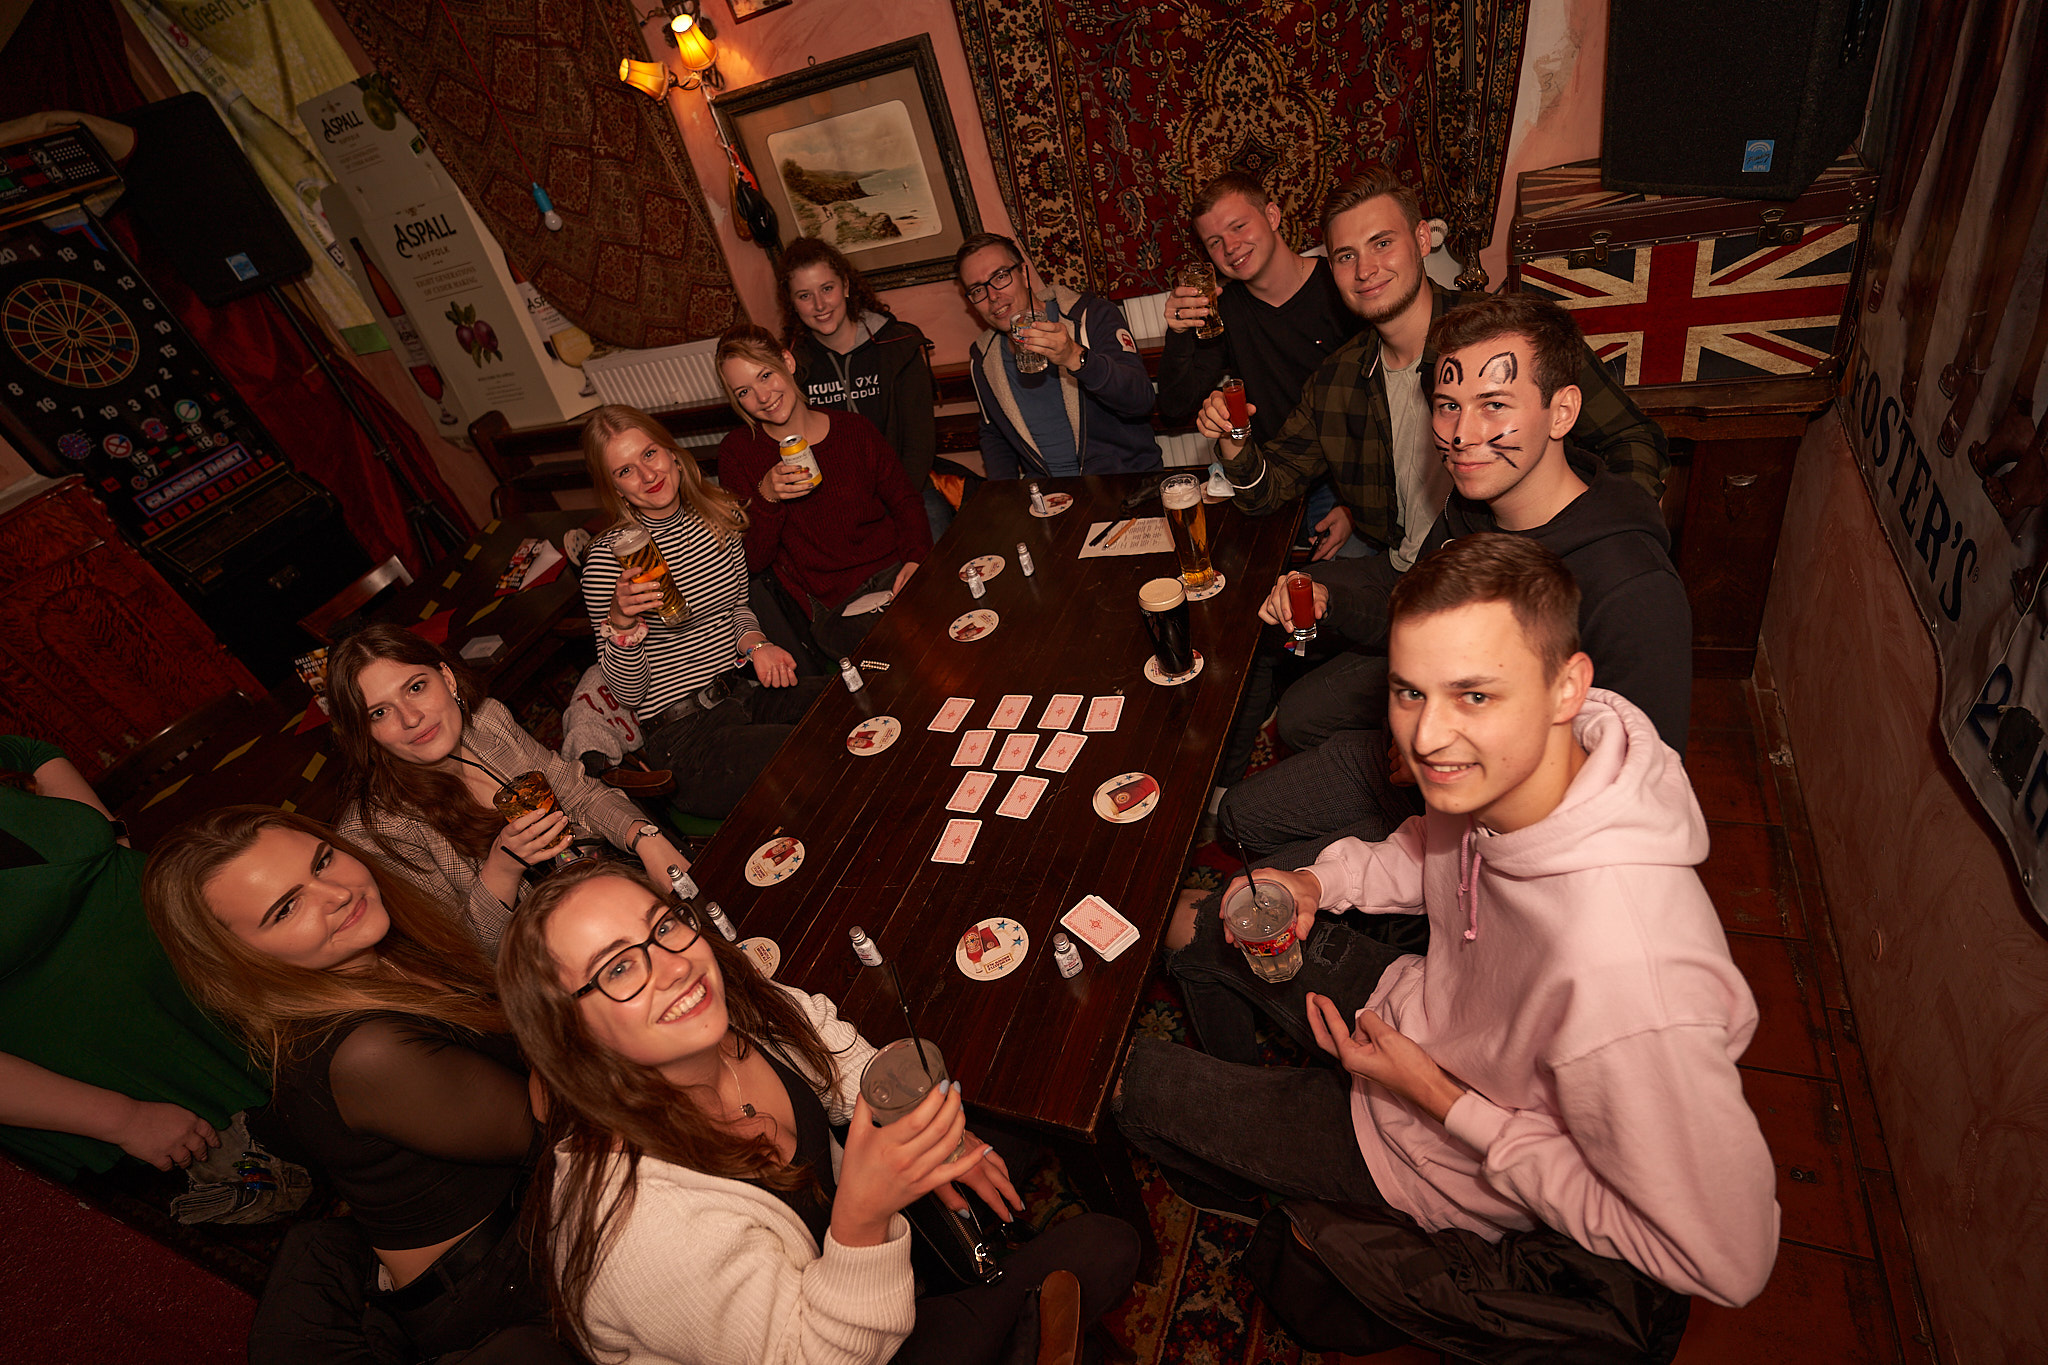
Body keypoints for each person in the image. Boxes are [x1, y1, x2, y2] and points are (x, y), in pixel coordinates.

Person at [1117, 534, 1780, 1315]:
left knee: (1129, 1083)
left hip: (1436, 1156)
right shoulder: (1514, 770)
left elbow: (1729, 1259)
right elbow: (1431, 853)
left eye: (1474, 695)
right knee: (1194, 921)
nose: (1426, 738)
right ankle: (1250, 1134)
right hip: (1413, 1009)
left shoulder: (1626, 972)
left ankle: (1249, 1176)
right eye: (1410, 691)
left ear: (1567, 687)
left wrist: (1438, 1096)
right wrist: (1320, 880)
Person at [497, 860, 1141, 1365]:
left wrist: (928, 1133)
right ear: (570, 1035)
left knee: (999, 1124)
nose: (673, 967)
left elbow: (826, 1044)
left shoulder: (725, 1003)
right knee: (1108, 1247)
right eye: (618, 969)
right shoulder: (635, 1233)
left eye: (663, 927)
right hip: (841, 1341)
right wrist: (863, 1215)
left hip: (858, 1252)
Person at [1207, 294, 1696, 904]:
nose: (1462, 435)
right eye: (1447, 406)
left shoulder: (1629, 586)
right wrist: (1333, 602)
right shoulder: (1472, 508)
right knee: (1240, 819)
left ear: (1563, 411)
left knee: (1250, 903)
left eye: (1495, 405)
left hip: (1503, 843)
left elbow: (1638, 800)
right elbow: (1416, 615)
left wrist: (1446, 763)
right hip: (1418, 769)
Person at [1197, 168, 1670, 755]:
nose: (1365, 269)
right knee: (1276, 646)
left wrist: (1590, 548)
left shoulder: (1505, 336)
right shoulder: (1339, 378)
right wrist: (1234, 442)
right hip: (1406, 572)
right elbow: (1267, 490)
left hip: (1502, 582)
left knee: (1311, 717)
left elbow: (1632, 438)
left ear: (1422, 240)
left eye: (1382, 242)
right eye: (1345, 256)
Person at [144, 807, 575, 1364]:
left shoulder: (380, 953)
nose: (337, 894)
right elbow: (560, 1127)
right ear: (241, 958)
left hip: (535, 1202)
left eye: (323, 861)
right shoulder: (364, 1054)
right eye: (286, 908)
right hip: (503, 1284)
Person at [328, 623, 687, 956]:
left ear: (447, 678)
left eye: (416, 688)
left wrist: (646, 838)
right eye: (379, 713)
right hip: (549, 954)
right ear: (364, 732)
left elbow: (579, 793)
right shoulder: (378, 830)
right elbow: (462, 952)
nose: (410, 718)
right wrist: (501, 869)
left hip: (608, 882)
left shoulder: (489, 722)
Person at [0, 736, 266, 1180]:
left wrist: (107, 836)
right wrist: (122, 1118)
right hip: (148, 1075)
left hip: (217, 968)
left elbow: (30, 752)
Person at [581, 404, 829, 821]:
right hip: (686, 737)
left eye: (649, 454)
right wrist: (621, 623)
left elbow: (736, 609)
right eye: (625, 471)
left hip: (744, 694)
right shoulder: (608, 561)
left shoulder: (718, 517)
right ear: (616, 489)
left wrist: (757, 646)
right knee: (810, 759)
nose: (647, 475)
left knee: (845, 706)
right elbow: (628, 695)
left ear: (672, 453)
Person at [1155, 171, 1368, 558]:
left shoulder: (1339, 284)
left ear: (1272, 216)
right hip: (1270, 479)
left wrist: (1355, 507)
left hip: (1346, 479)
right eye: (1214, 242)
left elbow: (1382, 409)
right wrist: (1178, 332)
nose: (1230, 247)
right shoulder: (1225, 308)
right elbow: (1175, 405)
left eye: (1238, 226)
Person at [713, 325, 931, 662]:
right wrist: (767, 496)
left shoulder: (853, 429)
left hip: (893, 569)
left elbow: (905, 501)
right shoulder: (738, 453)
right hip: (833, 604)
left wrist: (916, 559)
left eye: (766, 375)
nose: (763, 397)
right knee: (900, 656)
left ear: (787, 361)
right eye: (744, 391)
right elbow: (753, 561)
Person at [778, 237, 967, 539]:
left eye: (827, 288)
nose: (819, 305)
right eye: (804, 295)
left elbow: (919, 444)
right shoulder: (791, 367)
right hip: (837, 503)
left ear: (845, 286)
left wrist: (892, 504)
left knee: (935, 552)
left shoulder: (898, 346)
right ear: (792, 303)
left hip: (909, 488)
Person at [956, 231, 1163, 479]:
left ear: (1024, 274)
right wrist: (1004, 494)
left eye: (1000, 277)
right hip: (1048, 494)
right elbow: (994, 434)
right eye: (977, 290)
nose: (992, 296)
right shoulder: (984, 357)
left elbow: (1140, 401)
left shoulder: (1091, 316)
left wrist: (1074, 356)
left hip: (1120, 482)